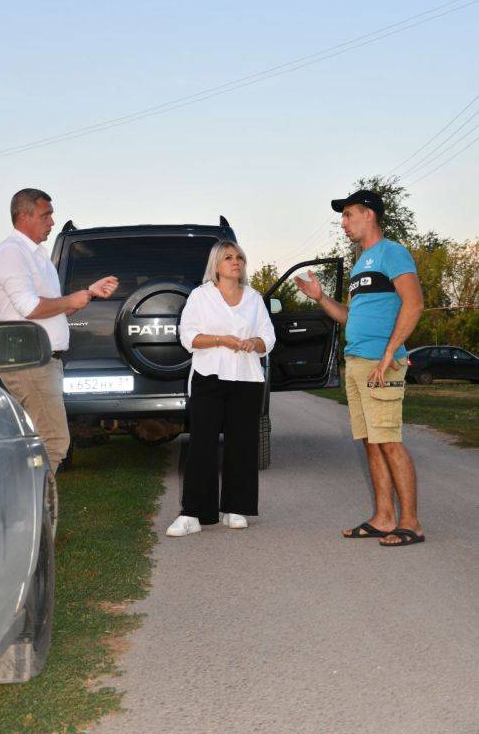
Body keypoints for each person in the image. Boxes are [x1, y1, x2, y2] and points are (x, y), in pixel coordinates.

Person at [295, 189, 425, 547]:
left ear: (369, 214)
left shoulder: (392, 253)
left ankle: (410, 522)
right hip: (357, 362)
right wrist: (320, 298)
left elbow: (414, 305)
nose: (344, 222)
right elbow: (349, 316)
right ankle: (384, 518)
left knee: (389, 441)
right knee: (371, 442)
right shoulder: (359, 264)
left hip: (381, 364)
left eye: (349, 214)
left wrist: (387, 356)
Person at [0, 188, 118, 473]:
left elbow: (51, 309)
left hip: (44, 361)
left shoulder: (37, 256)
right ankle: (33, 511)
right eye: (46, 215)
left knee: (44, 441)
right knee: (54, 440)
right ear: (24, 216)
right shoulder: (12, 252)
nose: (51, 221)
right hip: (28, 361)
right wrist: (73, 299)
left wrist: (88, 293)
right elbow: (29, 307)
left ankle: (32, 510)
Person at [166, 240, 276, 537]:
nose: (235, 262)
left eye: (239, 257)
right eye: (228, 257)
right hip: (208, 375)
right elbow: (187, 337)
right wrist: (221, 340)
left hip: (247, 377)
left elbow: (269, 336)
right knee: (202, 444)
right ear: (216, 265)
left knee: (242, 443)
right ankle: (192, 514)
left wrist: (255, 343)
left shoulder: (254, 298)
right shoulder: (200, 297)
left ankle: (236, 508)